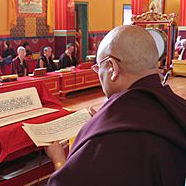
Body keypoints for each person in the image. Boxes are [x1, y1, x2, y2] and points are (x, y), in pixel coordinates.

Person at [45, 25, 186, 185]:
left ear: (113, 68)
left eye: (98, 67)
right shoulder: (178, 107)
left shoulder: (106, 139)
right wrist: (102, 122)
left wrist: (58, 160)